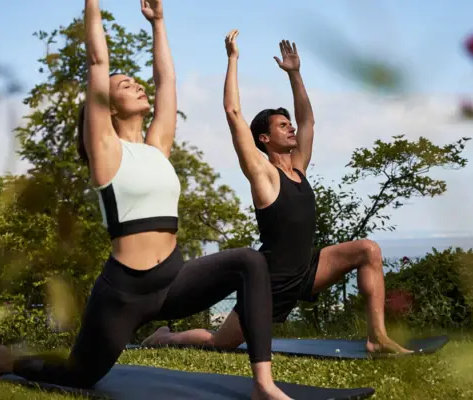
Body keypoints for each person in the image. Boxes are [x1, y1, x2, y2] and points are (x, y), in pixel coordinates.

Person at [0, 5, 292, 399]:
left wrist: (158, 23)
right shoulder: (105, 152)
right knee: (78, 375)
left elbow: (167, 82)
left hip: (173, 280)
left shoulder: (156, 148)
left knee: (251, 261)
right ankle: (9, 360)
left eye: (135, 81)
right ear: (108, 106)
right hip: (124, 293)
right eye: (125, 85)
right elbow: (98, 59)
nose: (137, 86)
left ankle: (263, 385)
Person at [143, 29, 412, 355]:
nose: (292, 128)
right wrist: (232, 60)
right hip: (269, 283)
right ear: (264, 139)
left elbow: (308, 121)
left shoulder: (298, 167)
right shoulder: (263, 175)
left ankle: (377, 337)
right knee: (220, 343)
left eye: (289, 123)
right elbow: (233, 113)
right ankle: (165, 337)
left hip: (308, 271)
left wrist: (295, 74)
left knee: (368, 249)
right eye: (283, 126)